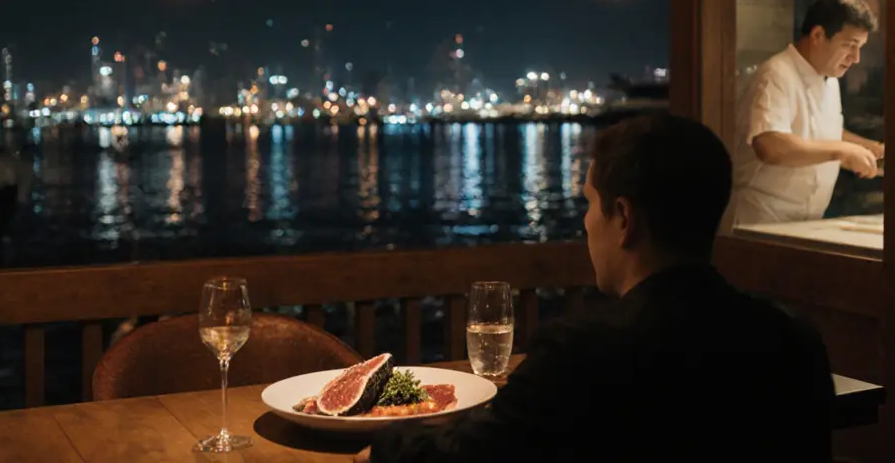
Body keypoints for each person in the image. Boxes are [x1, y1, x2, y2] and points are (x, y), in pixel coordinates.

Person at [355, 114, 835, 463]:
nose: (586, 223)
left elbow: (465, 457)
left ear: (623, 219)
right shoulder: (793, 342)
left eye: (589, 204)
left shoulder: (581, 355)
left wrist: (386, 442)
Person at [731, 0, 884, 229]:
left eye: (860, 48)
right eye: (849, 46)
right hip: (763, 219)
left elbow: (819, 130)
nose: (855, 58)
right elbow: (770, 145)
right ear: (818, 35)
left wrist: (869, 148)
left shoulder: (828, 77)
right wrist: (842, 151)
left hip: (807, 220)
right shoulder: (776, 75)